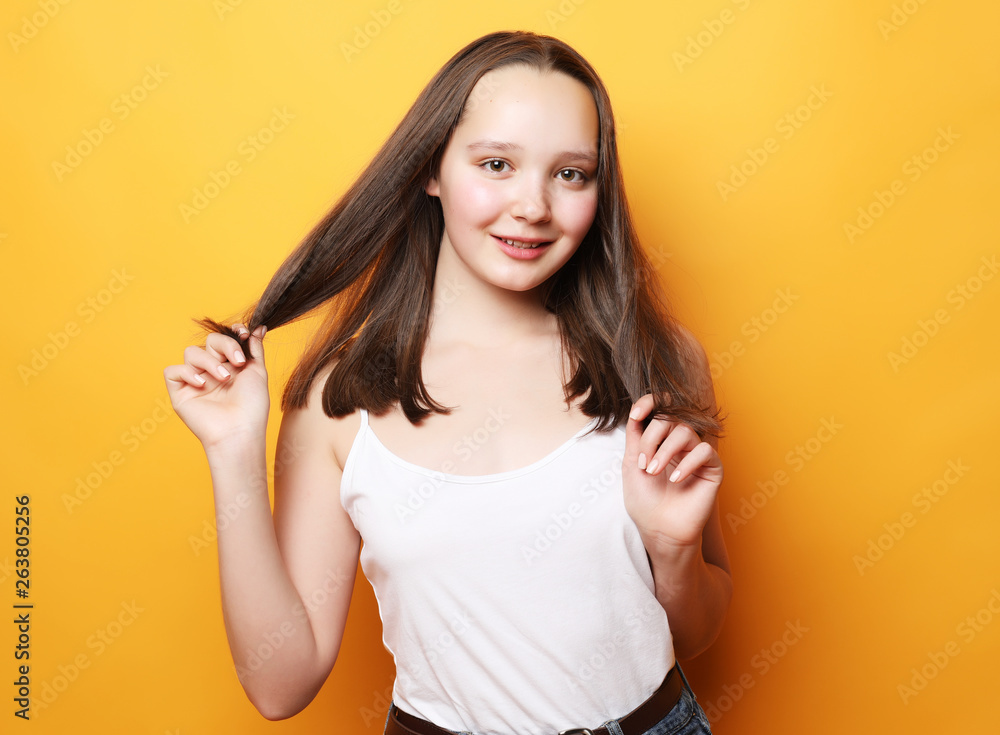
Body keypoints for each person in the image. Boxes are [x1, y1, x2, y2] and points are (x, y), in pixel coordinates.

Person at [163, 30, 730, 735]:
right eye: (496, 163)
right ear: (432, 170)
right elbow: (281, 684)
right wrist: (232, 450)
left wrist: (675, 552)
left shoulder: (653, 359)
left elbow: (699, 630)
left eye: (571, 174)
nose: (532, 205)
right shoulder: (339, 404)